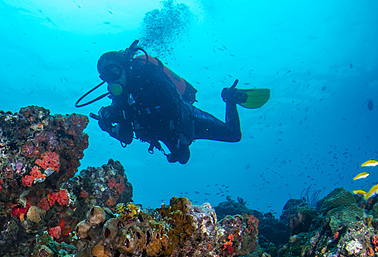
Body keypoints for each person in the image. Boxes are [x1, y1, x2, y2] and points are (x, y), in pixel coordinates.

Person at [76, 40, 269, 164]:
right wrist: (108, 126)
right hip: (165, 133)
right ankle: (180, 146)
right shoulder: (121, 101)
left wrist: (132, 111)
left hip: (188, 119)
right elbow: (126, 137)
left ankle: (230, 98)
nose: (112, 79)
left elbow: (173, 105)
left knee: (233, 135)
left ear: (125, 67)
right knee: (182, 158)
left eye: (114, 71)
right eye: (106, 76)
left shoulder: (148, 76)